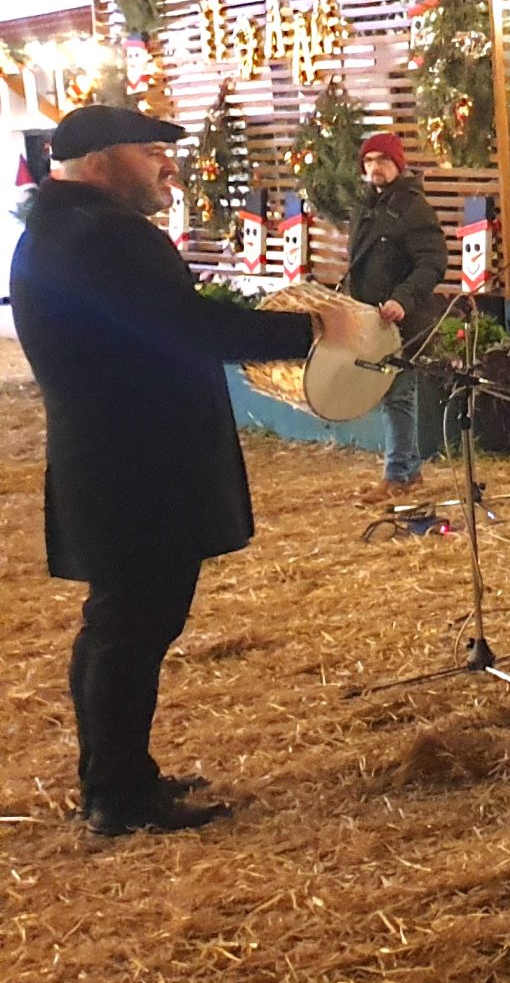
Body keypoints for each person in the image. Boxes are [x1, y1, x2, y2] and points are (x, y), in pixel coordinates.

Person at [16, 106, 369, 835]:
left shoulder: (60, 230)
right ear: (102, 161)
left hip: (111, 460)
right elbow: (187, 329)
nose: (167, 166)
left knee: (125, 624)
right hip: (138, 467)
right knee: (130, 628)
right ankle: (116, 797)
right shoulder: (106, 237)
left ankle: (120, 775)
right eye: (151, 152)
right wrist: (309, 327)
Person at [345, 131, 449, 504]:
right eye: (369, 160)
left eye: (383, 160)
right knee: (391, 394)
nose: (375, 167)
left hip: (403, 321)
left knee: (397, 395)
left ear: (397, 165)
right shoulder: (366, 206)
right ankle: (409, 469)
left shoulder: (413, 208)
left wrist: (403, 299)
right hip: (372, 319)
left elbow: (433, 261)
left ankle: (399, 475)